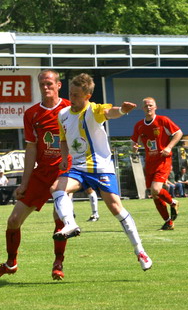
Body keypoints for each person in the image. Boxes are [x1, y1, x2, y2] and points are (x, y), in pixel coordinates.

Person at [51, 73, 152, 271]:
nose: (72, 98)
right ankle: (70, 224)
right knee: (56, 187)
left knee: (115, 208)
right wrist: (64, 158)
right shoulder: (62, 114)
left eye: (77, 95)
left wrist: (122, 110)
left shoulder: (93, 109)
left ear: (87, 96)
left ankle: (140, 250)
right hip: (78, 168)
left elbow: (109, 112)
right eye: (71, 94)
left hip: (100, 168)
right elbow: (63, 140)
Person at [0, 69, 74, 281]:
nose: (45, 87)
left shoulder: (71, 109)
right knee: (14, 220)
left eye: (49, 83)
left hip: (65, 171)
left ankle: (58, 262)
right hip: (41, 173)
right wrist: (24, 182)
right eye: (42, 84)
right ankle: (11, 263)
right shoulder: (32, 114)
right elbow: (32, 149)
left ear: (58, 85)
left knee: (59, 217)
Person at [131, 97, 182, 231]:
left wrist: (169, 147)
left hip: (163, 160)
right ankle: (168, 222)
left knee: (156, 189)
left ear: (155, 107)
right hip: (149, 162)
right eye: (146, 105)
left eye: (151, 105)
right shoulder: (139, 125)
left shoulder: (163, 120)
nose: (148, 107)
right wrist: (135, 147)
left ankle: (173, 202)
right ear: (142, 108)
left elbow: (178, 133)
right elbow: (135, 142)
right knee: (154, 194)